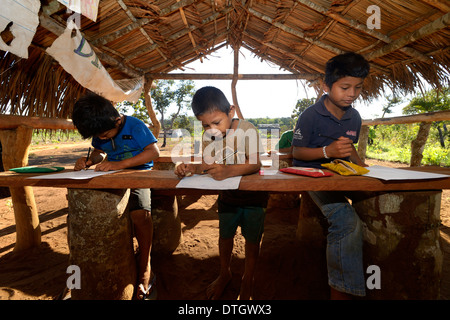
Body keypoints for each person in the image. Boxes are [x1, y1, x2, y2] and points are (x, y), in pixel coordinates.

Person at [174, 86, 268, 300]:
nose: (212, 129)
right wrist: (189, 168)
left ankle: (248, 279)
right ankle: (224, 272)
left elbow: (255, 163)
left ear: (231, 112)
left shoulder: (247, 129)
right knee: (225, 236)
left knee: (253, 241)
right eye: (205, 125)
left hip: (254, 197)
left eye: (216, 122)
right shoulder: (209, 137)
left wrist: (228, 170)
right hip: (228, 197)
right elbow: (206, 165)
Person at [292, 52, 370, 299]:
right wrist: (327, 151)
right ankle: (342, 293)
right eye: (345, 87)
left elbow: (350, 149)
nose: (352, 93)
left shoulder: (354, 116)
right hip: (312, 173)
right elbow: (297, 152)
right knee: (345, 220)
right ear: (326, 87)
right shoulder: (310, 116)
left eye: (358, 88)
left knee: (375, 196)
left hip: (341, 173)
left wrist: (362, 171)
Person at [72, 92, 160, 300]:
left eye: (105, 134)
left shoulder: (135, 126)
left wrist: (119, 164)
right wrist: (89, 161)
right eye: (98, 136)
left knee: (140, 215)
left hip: (139, 175)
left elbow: (153, 152)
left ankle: (145, 266)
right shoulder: (100, 130)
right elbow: (99, 151)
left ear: (117, 120)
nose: (102, 138)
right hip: (111, 176)